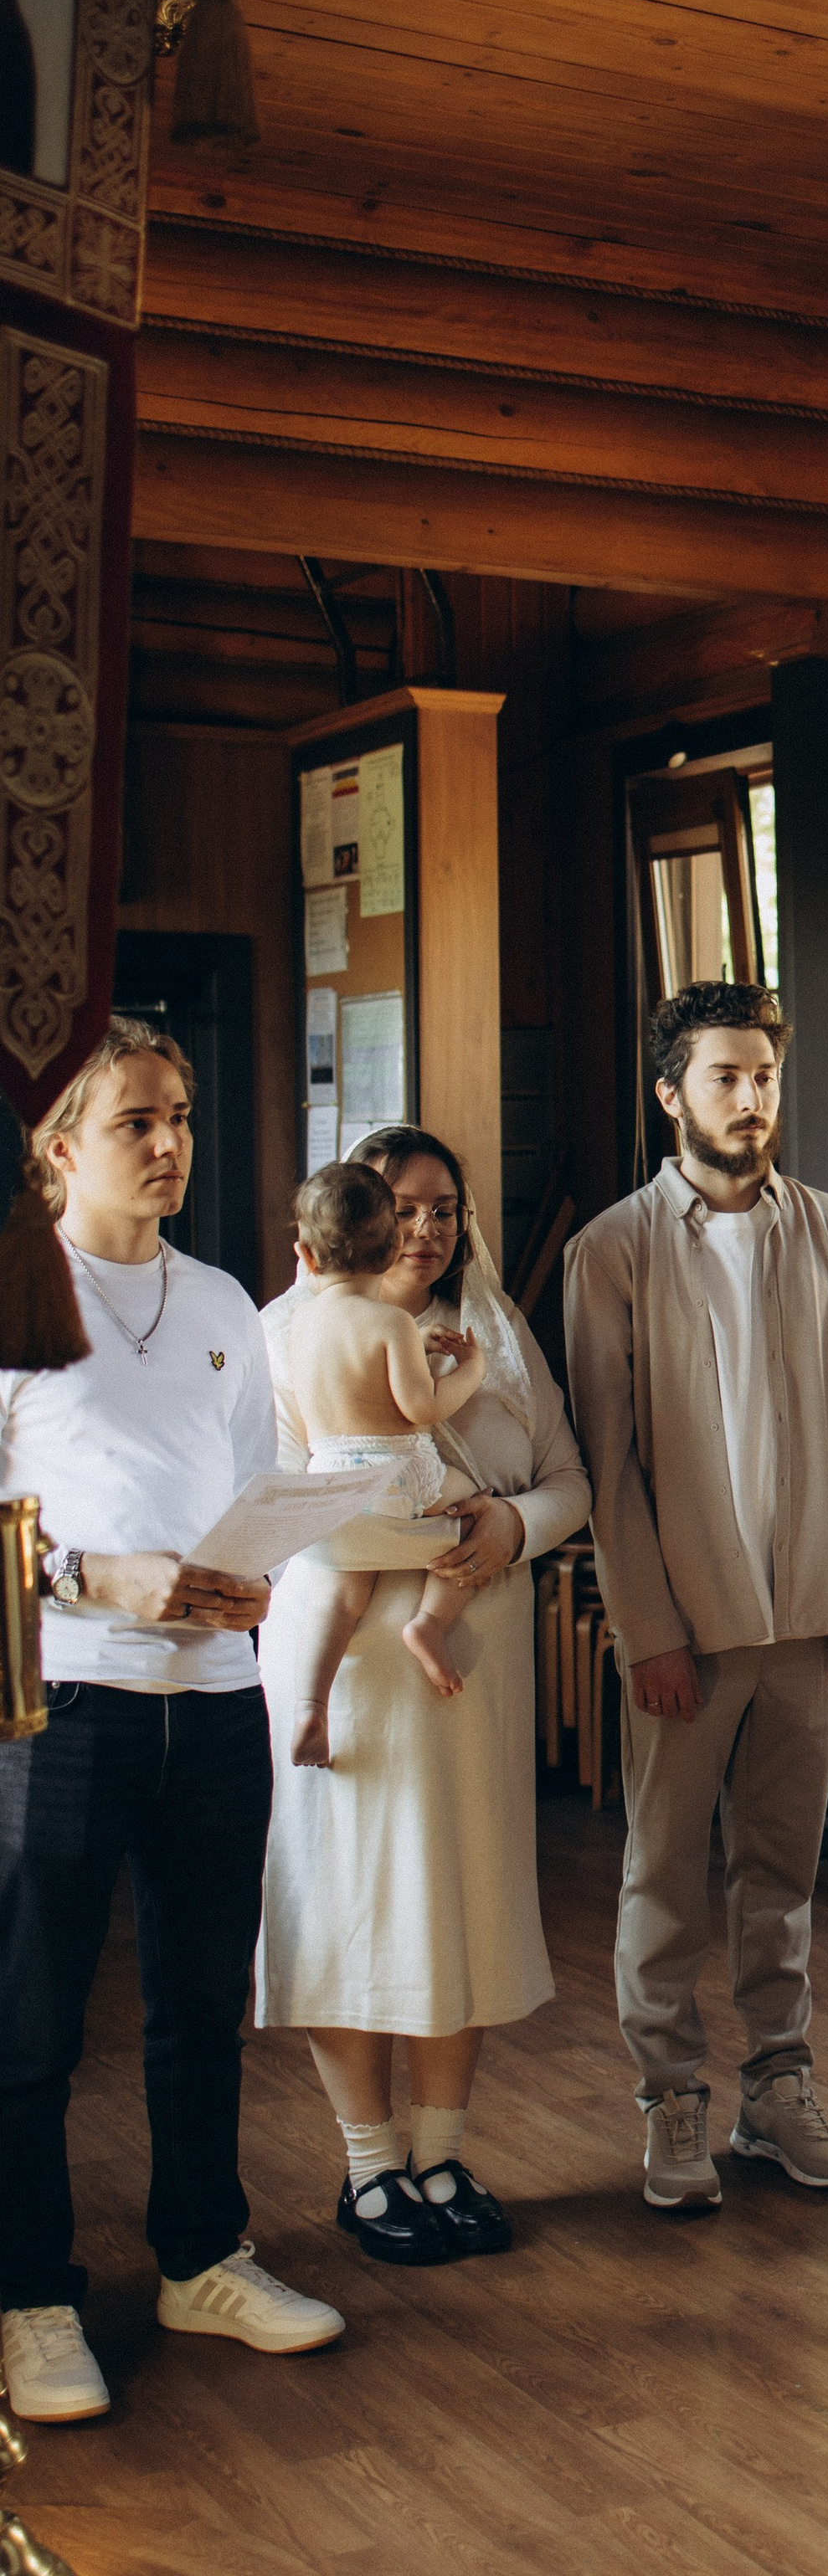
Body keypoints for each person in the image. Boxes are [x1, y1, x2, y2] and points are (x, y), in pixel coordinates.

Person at [0, 1019, 343, 2420]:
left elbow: (257, 1480)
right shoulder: (16, 1290)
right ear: (61, 1143)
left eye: (183, 1116)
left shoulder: (218, 1304)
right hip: (63, 1703)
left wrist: (254, 1574)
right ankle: (29, 2298)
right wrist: (98, 1576)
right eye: (138, 1120)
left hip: (214, 1704)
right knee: (33, 2026)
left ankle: (203, 2257)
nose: (170, 1143)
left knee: (206, 2005)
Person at [564, 979, 828, 2214]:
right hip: (686, 1633)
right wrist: (646, 1628)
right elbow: (610, 1460)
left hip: (813, 1618)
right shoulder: (611, 1251)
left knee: (782, 1871)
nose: (751, 1100)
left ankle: (779, 2089)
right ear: (672, 1094)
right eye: (724, 1078)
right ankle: (670, 2101)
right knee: (663, 1873)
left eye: (763, 1078)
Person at [256, 1128, 590, 2267]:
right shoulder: (285, 1331)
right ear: (356, 1215)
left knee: (464, 1902)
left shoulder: (497, 1331)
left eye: (447, 1207)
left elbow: (568, 1479)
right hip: (348, 1652)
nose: (428, 1228)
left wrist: (511, 1526)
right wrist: (377, 1530)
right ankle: (369, 2167)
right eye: (403, 1207)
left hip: (470, 1646)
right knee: (353, 1901)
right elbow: (268, 1498)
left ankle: (442, 2153)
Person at [277, 1159, 489, 1760]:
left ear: (307, 1256)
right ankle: (431, 1623)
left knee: (341, 1598)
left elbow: (347, 1379)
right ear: (394, 1246)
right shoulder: (393, 1321)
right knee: (474, 1516)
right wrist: (470, 1371)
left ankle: (311, 1707)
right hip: (399, 1478)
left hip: (331, 1494)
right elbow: (420, 1408)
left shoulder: (301, 1325)